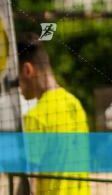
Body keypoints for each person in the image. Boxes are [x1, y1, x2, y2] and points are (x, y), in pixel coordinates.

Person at [17, 34, 90, 195]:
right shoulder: (75, 104)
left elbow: (29, 186)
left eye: (17, 80)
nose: (18, 88)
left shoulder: (35, 117)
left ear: (27, 70)